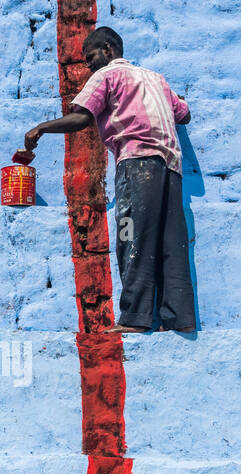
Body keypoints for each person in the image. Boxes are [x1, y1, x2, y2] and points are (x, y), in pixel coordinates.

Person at [23, 26, 197, 334]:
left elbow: (81, 117)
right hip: (171, 169)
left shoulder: (106, 76)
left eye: (91, 57)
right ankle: (178, 319)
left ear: (108, 49)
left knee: (131, 237)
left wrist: (41, 128)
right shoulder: (157, 79)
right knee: (172, 243)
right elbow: (184, 114)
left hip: (136, 167)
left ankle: (134, 318)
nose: (89, 65)